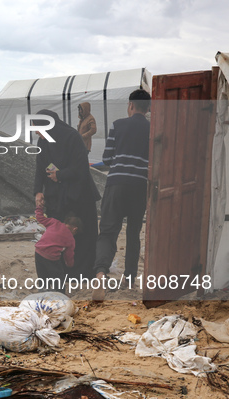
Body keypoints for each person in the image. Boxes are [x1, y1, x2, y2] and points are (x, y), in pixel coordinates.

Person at [92, 89, 151, 301]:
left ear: (130, 105)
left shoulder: (118, 125)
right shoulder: (152, 129)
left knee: (108, 231)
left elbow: (107, 158)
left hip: (116, 184)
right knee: (133, 233)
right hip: (139, 186)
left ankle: (100, 273)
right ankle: (129, 279)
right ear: (148, 108)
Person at [34, 109, 100, 280]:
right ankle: (61, 272)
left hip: (79, 196)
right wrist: (38, 191)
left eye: (38, 128)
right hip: (57, 197)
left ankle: (82, 274)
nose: (36, 132)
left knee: (81, 236)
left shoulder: (71, 137)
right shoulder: (43, 142)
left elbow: (81, 168)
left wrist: (60, 175)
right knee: (59, 234)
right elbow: (40, 168)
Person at [34, 205, 82, 293]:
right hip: (51, 257)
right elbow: (69, 256)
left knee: (42, 275)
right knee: (58, 277)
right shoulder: (70, 239)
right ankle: (61, 294)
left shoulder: (54, 222)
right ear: (75, 229)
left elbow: (40, 218)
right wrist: (70, 264)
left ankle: (43, 290)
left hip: (38, 252)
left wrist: (39, 208)